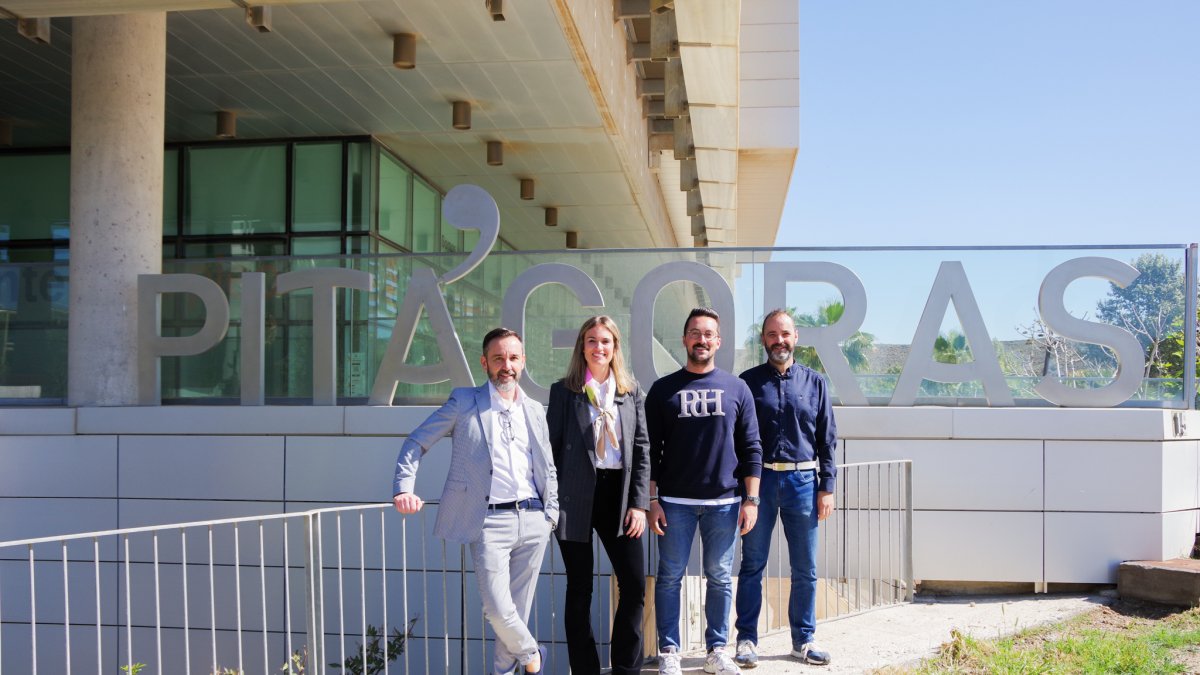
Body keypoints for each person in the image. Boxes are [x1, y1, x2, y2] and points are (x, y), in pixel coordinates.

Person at [392, 327, 558, 675]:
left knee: (517, 612)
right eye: (498, 358)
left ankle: (504, 671)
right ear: (485, 362)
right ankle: (532, 655)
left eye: (513, 358)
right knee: (498, 610)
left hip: (532, 519)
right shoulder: (464, 402)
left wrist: (550, 515)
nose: (506, 366)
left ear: (523, 362)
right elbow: (416, 442)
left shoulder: (534, 409)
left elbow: (547, 466)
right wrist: (404, 487)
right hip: (488, 523)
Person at [646, 307, 763, 675]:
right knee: (669, 578)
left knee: (719, 577)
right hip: (674, 502)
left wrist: (752, 499)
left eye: (708, 334)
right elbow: (648, 450)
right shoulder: (664, 389)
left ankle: (717, 650)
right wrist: (651, 500)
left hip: (725, 503)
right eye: (695, 333)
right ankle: (669, 651)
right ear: (684, 340)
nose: (702, 339)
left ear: (718, 341)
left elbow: (752, 448)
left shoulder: (737, 388)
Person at [733, 309, 837, 668]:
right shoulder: (746, 383)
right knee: (752, 566)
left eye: (785, 334)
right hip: (759, 483)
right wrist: (744, 491)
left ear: (796, 338)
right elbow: (738, 440)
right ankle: (746, 639)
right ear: (763, 339)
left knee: (805, 568)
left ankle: (803, 640)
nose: (779, 340)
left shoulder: (816, 383)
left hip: (803, 484)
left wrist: (828, 487)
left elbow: (827, 439)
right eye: (772, 334)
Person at [547, 315, 650, 675]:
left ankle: (625, 668)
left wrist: (639, 505)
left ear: (615, 347)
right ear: (582, 346)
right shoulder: (564, 392)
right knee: (580, 589)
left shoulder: (630, 392)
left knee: (634, 584)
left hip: (618, 497)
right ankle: (586, 670)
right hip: (573, 499)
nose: (598, 347)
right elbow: (551, 451)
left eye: (605, 341)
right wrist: (551, 505)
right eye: (592, 340)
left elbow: (641, 451)